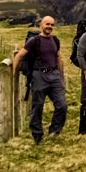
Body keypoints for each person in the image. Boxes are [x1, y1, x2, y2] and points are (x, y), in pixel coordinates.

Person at [11, 15, 67, 144]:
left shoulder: (55, 40)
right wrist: (13, 72)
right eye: (47, 24)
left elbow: (57, 57)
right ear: (41, 24)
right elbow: (19, 55)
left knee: (62, 105)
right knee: (38, 106)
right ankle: (37, 134)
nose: (50, 27)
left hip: (54, 76)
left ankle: (54, 131)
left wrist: (60, 75)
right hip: (39, 76)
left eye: (52, 25)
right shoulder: (34, 40)